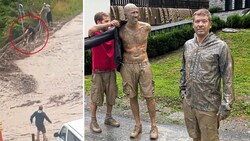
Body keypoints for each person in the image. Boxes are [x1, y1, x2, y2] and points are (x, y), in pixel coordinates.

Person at [180, 9, 235, 141]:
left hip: (209, 106)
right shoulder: (188, 45)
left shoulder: (221, 47)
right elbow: (183, 69)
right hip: (190, 103)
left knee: (209, 139)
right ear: (193, 24)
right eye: (197, 21)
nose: (200, 24)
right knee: (195, 136)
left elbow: (228, 77)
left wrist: (227, 104)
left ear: (210, 24)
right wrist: (182, 91)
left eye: (204, 21)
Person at [119, 3, 158, 139]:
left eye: (137, 12)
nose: (136, 15)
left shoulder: (146, 27)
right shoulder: (121, 30)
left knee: (149, 96)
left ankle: (154, 126)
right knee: (132, 96)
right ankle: (138, 125)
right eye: (132, 13)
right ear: (126, 15)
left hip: (143, 63)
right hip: (128, 65)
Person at [88, 12, 120, 133]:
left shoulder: (112, 32)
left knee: (111, 96)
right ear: (98, 22)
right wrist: (111, 23)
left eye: (109, 20)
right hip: (98, 72)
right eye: (105, 21)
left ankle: (108, 117)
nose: (108, 23)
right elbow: (91, 28)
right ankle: (93, 121)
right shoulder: (94, 33)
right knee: (95, 98)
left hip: (111, 70)